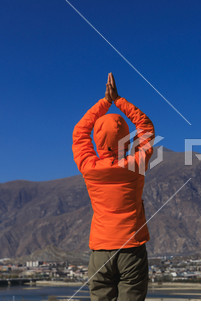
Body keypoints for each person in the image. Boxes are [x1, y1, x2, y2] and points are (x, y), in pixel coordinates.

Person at [72, 73, 155, 301]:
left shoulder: (89, 167)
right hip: (131, 248)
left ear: (97, 142)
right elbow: (145, 127)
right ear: (127, 141)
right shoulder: (135, 165)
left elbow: (80, 133)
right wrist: (119, 101)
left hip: (100, 251)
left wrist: (105, 102)